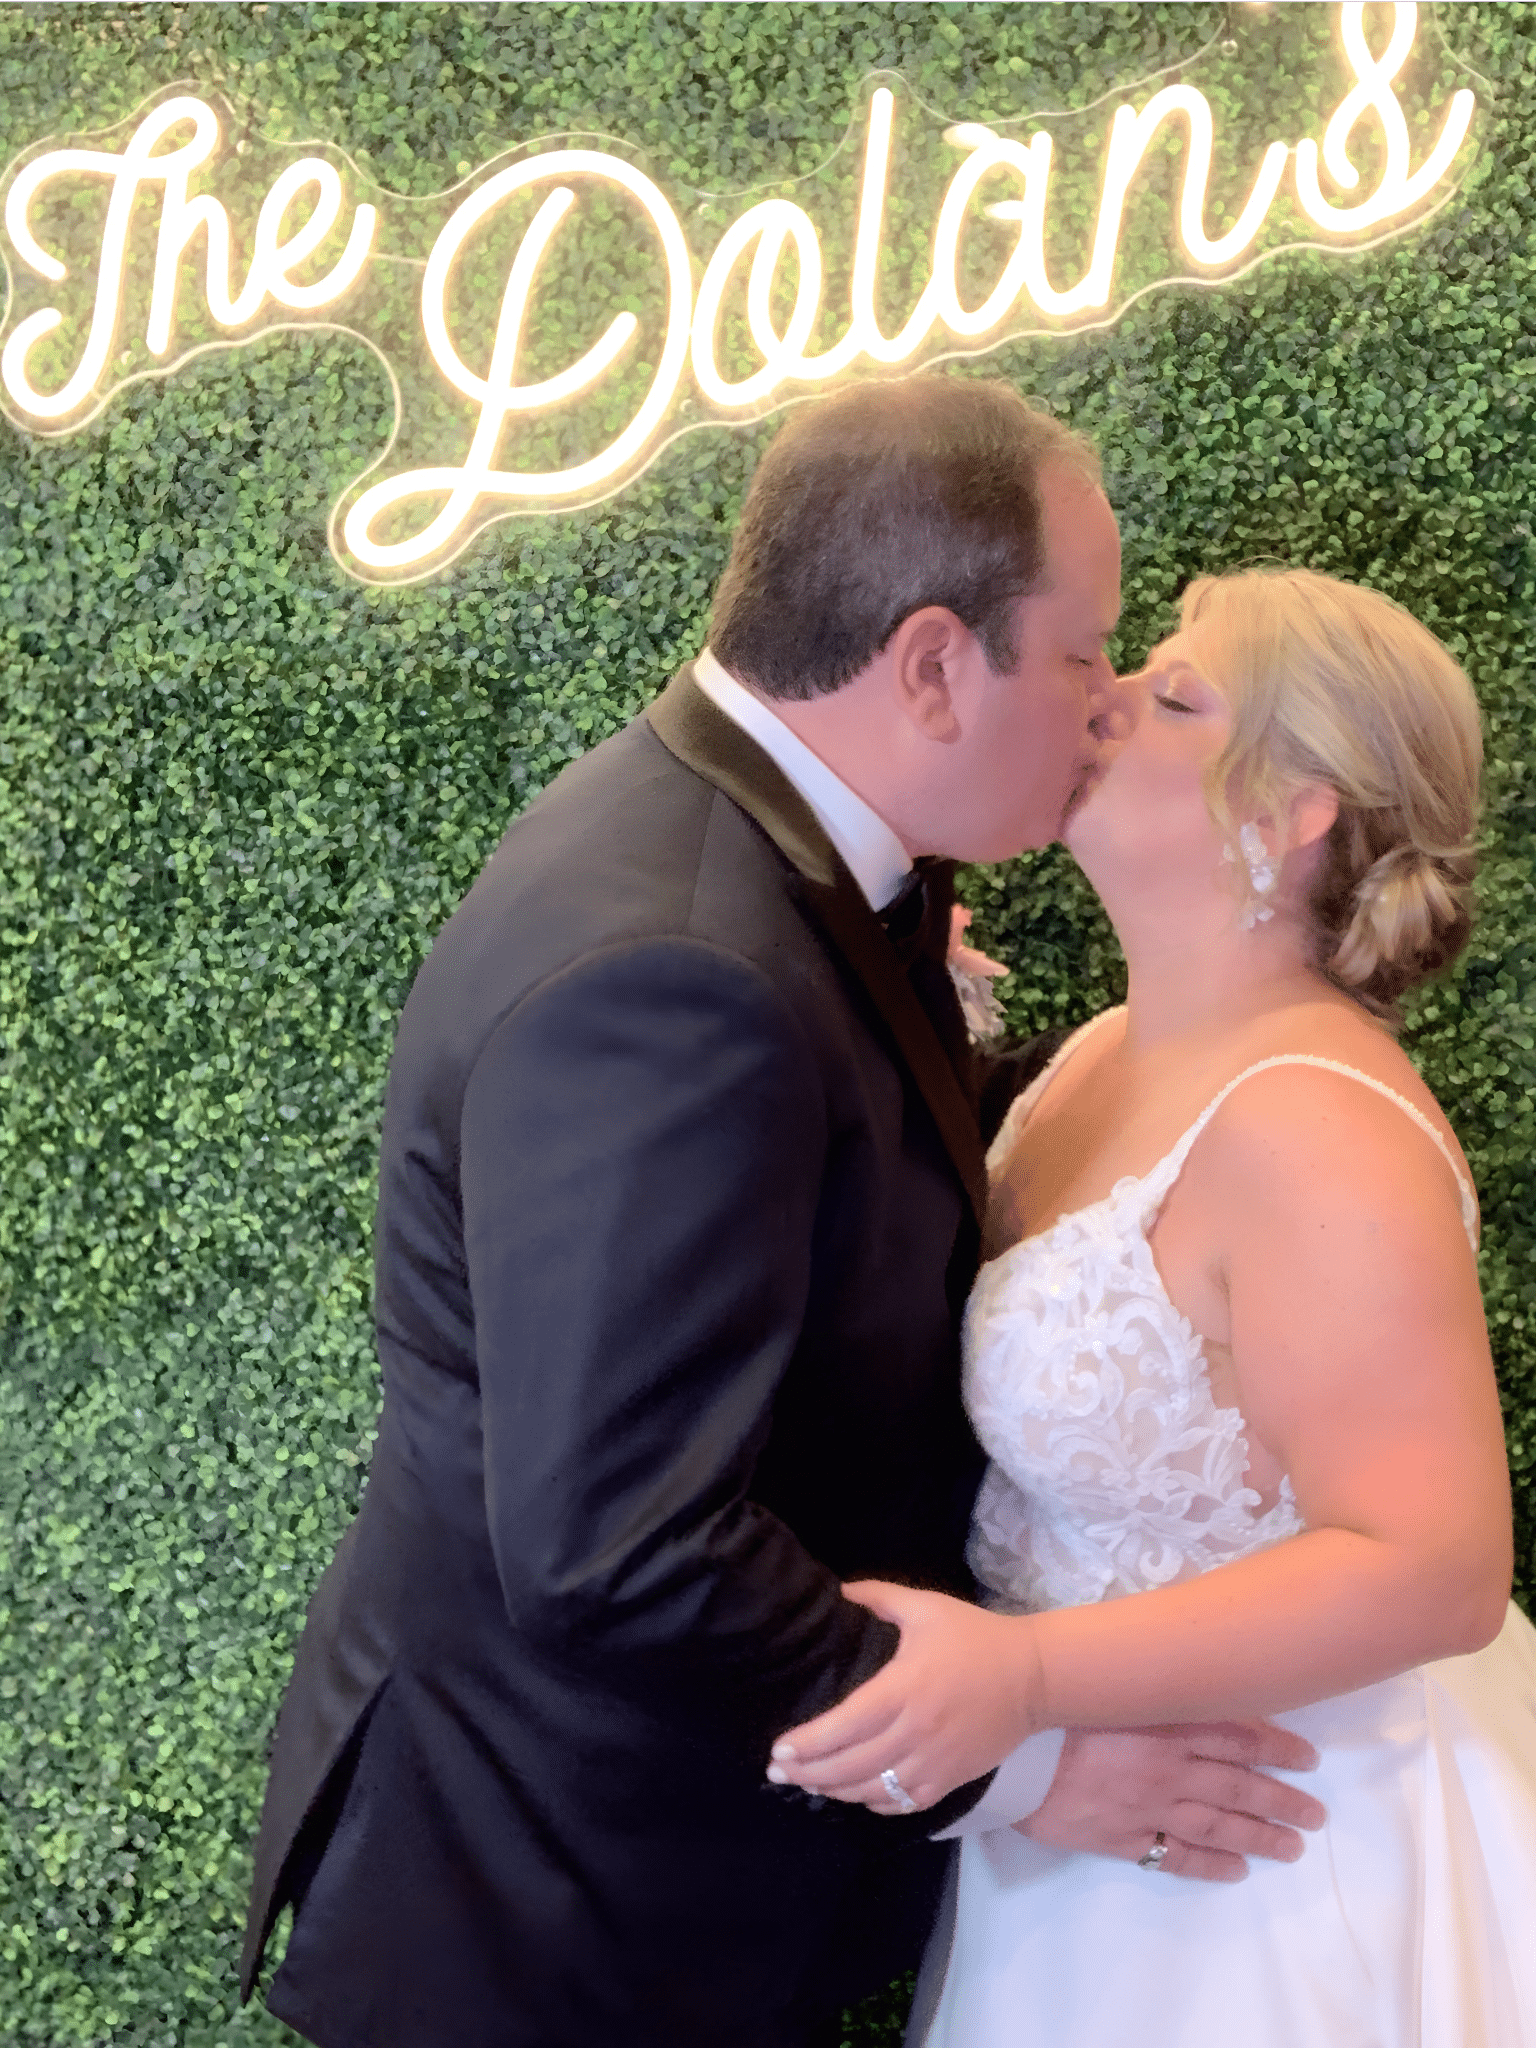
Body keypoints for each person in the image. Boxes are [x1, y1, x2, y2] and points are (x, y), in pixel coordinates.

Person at [237, 379, 1325, 2048]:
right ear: (932, 667)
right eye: (1085, 652)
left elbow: (841, 1169)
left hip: (670, 1872)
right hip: (559, 1913)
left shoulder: (765, 837)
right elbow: (622, 1547)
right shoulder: (679, 971)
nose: (1105, 705)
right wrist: (1021, 1767)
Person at [768, 566, 1536, 2045]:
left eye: (1175, 696)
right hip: (1095, 1838)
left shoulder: (1318, 1124)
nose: (1105, 700)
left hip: (1290, 1849)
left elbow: (1436, 1568)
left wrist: (1026, 1675)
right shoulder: (1100, 1054)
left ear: (1296, 811)